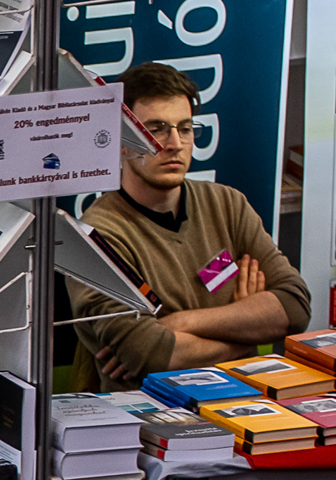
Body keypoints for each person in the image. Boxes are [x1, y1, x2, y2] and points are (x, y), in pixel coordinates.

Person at [69, 63, 310, 391]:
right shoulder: (98, 237)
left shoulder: (227, 204)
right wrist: (244, 331)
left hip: (242, 402)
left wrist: (182, 323)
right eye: (155, 129)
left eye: (185, 128)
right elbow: (148, 353)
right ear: (120, 141)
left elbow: (295, 307)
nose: (175, 143)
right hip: (151, 421)